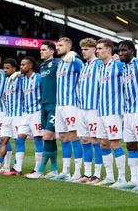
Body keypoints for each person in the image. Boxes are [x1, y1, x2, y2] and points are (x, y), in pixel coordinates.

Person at [117, 40, 138, 190]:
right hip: (128, 113)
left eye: (124, 50)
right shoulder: (122, 67)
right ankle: (134, 179)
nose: (121, 53)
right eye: (119, 51)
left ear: (132, 51)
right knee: (130, 145)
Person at [94, 38, 127, 187]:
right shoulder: (100, 67)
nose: (97, 51)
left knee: (115, 143)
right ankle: (109, 177)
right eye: (97, 49)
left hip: (114, 111)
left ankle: (122, 178)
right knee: (103, 144)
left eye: (100, 48)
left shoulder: (118, 64)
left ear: (109, 50)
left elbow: (132, 67)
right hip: (102, 111)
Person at [51, 37, 83, 181]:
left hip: (71, 105)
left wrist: (76, 55)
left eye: (61, 45)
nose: (58, 47)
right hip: (60, 106)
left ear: (69, 47)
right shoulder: (60, 64)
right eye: (58, 45)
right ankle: (65, 170)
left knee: (74, 136)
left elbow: (85, 70)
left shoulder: (74, 61)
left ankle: (77, 172)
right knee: (63, 137)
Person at [26, 40, 59, 179]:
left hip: (54, 104)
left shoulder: (58, 63)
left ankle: (39, 170)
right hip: (44, 105)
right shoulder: (43, 66)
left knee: (46, 137)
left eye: (44, 49)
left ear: (52, 51)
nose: (41, 51)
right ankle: (54, 169)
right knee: (51, 139)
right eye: (40, 50)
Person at [72, 38, 103, 184]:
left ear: (94, 49)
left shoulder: (99, 64)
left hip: (94, 109)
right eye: (82, 49)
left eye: (86, 49)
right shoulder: (84, 67)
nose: (83, 52)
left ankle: (97, 174)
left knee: (95, 140)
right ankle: (87, 173)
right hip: (81, 109)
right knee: (84, 140)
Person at [6, 56, 43, 175]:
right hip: (25, 114)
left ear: (30, 66)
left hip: (37, 113)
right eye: (20, 65)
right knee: (19, 139)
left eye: (23, 65)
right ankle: (18, 168)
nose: (21, 67)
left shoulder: (38, 78)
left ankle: (38, 169)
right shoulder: (22, 79)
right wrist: (17, 74)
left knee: (38, 140)